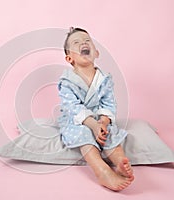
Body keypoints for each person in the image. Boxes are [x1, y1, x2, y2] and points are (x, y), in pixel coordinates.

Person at [58, 27, 134, 191]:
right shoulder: (67, 81)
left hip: (99, 119)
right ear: (70, 58)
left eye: (87, 41)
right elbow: (72, 106)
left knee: (110, 132)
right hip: (76, 120)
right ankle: (102, 170)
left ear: (96, 53)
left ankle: (120, 162)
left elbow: (108, 103)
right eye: (76, 42)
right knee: (83, 134)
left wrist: (104, 122)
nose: (83, 44)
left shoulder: (104, 79)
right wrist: (92, 125)